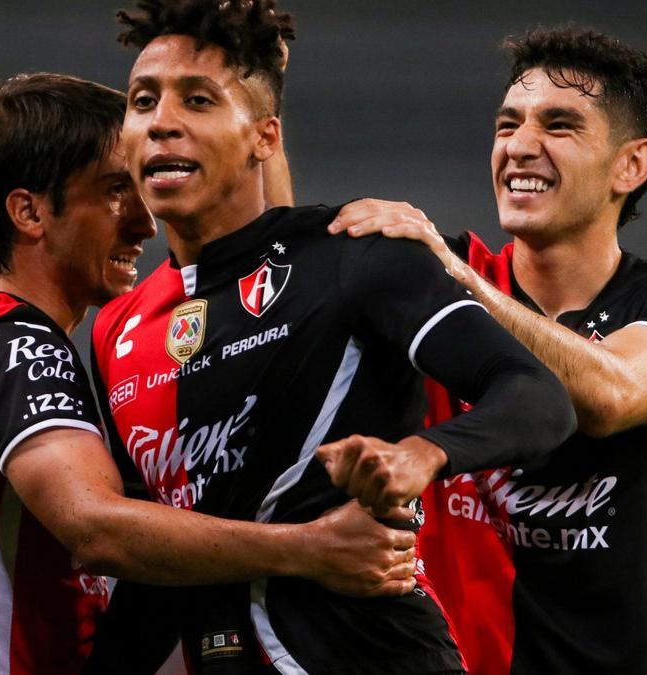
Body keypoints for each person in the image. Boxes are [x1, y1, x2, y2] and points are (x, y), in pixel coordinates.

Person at [90, 1, 577, 672]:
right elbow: (159, 557)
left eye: (197, 100)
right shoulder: (119, 328)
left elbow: (537, 396)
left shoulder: (354, 253)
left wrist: (420, 454)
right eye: (143, 101)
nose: (161, 122)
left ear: (263, 136)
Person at [0, 72, 418, 675]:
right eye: (114, 192)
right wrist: (309, 549)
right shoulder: (18, 346)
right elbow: (95, 528)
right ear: (29, 212)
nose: (146, 224)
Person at [332, 25, 647, 674]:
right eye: (507, 124)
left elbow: (611, 395)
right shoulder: (441, 285)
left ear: (630, 164)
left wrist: (456, 281)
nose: (520, 146)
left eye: (559, 125)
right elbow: (290, 282)